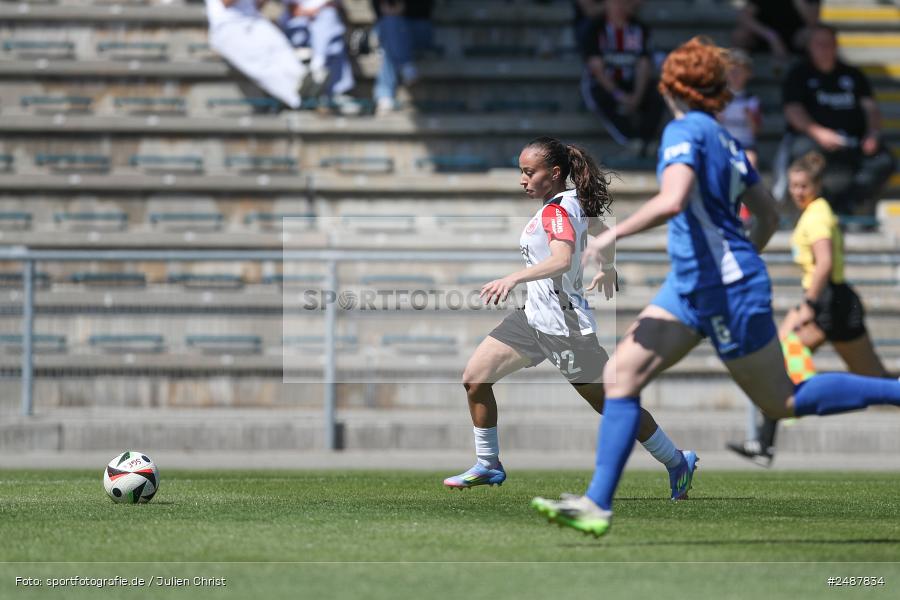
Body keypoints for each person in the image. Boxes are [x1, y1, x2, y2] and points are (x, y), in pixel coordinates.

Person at [531, 37, 900, 538]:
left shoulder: (682, 131)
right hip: (693, 285)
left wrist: (612, 235)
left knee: (782, 402)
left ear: (671, 85)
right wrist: (742, 255)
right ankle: (597, 504)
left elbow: (675, 198)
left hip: (722, 287)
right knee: (620, 377)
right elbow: (768, 213)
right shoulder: (725, 138)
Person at [443, 136, 698, 501]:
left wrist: (513, 278)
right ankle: (488, 464)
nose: (523, 180)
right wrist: (607, 267)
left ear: (555, 173)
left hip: (565, 327)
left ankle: (677, 461)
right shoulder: (570, 203)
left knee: (612, 406)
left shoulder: (556, 211)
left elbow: (562, 260)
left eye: (530, 172)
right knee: (474, 379)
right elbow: (603, 232)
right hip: (534, 318)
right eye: (522, 173)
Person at [727, 151, 890, 465]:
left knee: (875, 381)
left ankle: (765, 441)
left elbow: (824, 264)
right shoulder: (813, 212)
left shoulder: (817, 215)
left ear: (817, 185)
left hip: (831, 302)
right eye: (793, 185)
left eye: (803, 185)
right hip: (830, 302)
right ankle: (764, 443)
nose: (797, 191)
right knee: (876, 380)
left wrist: (809, 306)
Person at [776, 25, 895, 218]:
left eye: (828, 43)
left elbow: (871, 109)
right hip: (815, 140)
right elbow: (793, 111)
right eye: (819, 44)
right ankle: (816, 208)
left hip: (853, 142)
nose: (824, 48)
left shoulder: (853, 75)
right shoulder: (799, 74)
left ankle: (844, 207)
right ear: (810, 46)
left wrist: (873, 133)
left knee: (884, 160)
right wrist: (819, 133)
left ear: (836, 46)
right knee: (802, 153)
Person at [579, 0, 664, 155]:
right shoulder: (594, 29)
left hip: (632, 83)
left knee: (658, 93)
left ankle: (646, 140)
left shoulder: (639, 28)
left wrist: (637, 96)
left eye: (623, 3)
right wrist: (620, 95)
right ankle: (631, 140)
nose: (619, 7)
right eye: (615, 3)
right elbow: (597, 69)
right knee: (600, 96)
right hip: (606, 84)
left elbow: (644, 64)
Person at [205, 0, 305, 109]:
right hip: (227, 26)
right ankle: (300, 101)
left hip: (253, 20)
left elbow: (258, 4)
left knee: (283, 51)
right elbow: (226, 2)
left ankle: (309, 87)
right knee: (265, 67)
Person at [279, 0, 355, 104]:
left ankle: (318, 68)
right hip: (298, 26)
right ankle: (334, 89)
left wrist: (318, 11)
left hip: (324, 23)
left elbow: (334, 4)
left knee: (329, 19)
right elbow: (293, 8)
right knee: (333, 45)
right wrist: (308, 13)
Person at [371, 0, 435, 115]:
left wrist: (403, 9)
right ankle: (406, 66)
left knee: (390, 49)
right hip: (389, 27)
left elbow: (426, 9)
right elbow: (377, 8)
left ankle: (384, 96)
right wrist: (386, 9)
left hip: (417, 27)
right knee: (391, 25)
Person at [732, 0, 820, 60]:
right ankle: (737, 78)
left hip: (796, 38)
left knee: (812, 35)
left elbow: (812, 22)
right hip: (768, 36)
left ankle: (810, 75)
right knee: (740, 35)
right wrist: (772, 37)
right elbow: (744, 16)